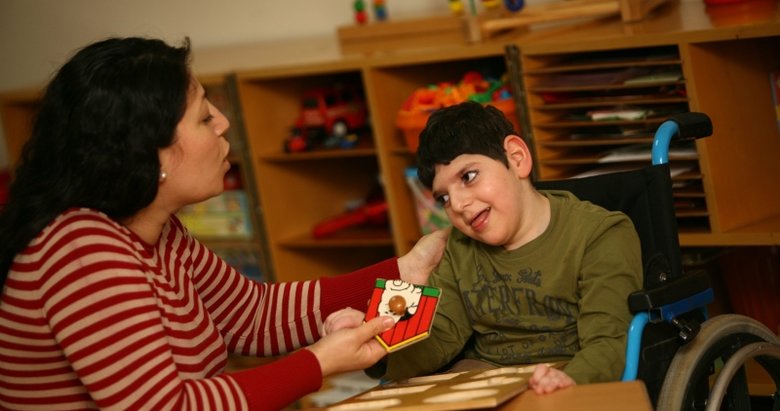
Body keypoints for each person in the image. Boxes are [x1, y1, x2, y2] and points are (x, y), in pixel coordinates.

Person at [0, 36, 448, 411]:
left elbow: (254, 316)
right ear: (148, 151)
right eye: (203, 117)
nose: (224, 123)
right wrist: (319, 363)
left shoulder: (159, 232)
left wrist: (407, 272)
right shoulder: (82, 250)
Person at [369, 101, 643, 394]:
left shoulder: (600, 234)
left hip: (567, 376)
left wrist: (570, 379)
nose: (458, 205)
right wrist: (375, 341)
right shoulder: (457, 247)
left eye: (468, 177)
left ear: (516, 157)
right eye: (444, 198)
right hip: (484, 381)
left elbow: (609, 340)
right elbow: (439, 338)